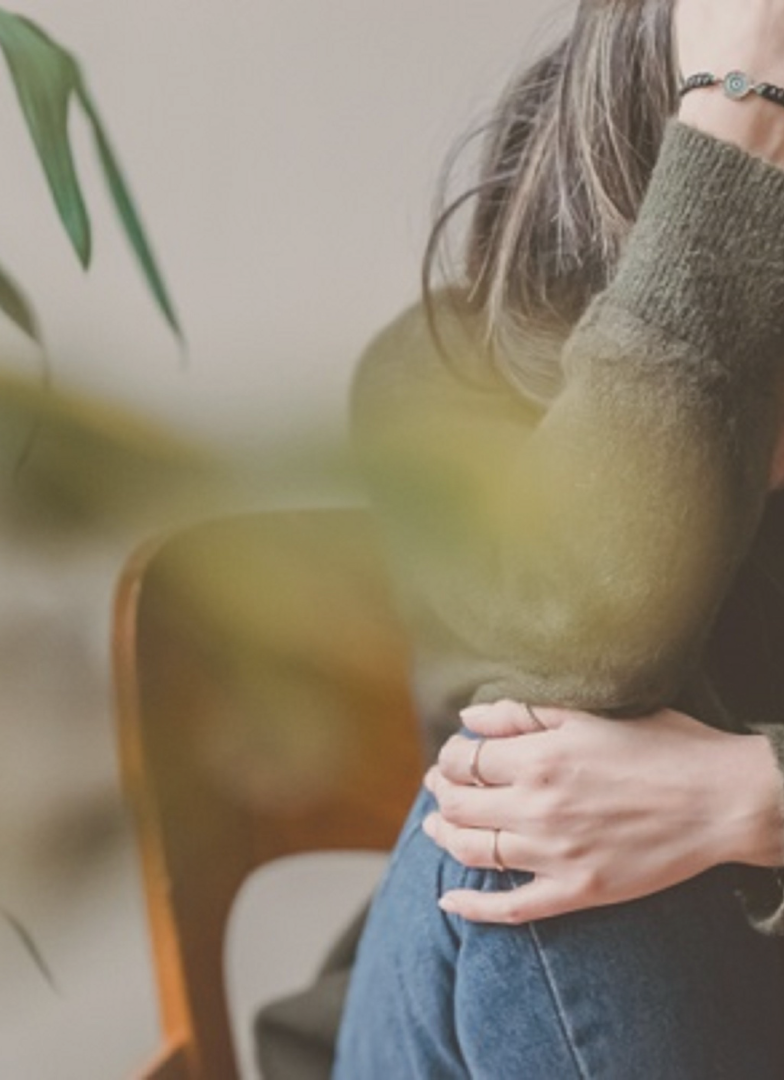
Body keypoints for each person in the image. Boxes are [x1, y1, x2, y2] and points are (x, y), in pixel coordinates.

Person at [255, 0, 784, 1076]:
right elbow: (572, 664)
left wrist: (758, 798)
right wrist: (741, 123)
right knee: (544, 801)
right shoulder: (447, 373)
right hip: (484, 1023)